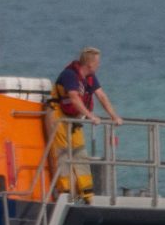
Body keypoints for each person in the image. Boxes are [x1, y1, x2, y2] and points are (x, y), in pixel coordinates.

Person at [50, 46, 122, 197]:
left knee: (80, 152)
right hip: (57, 116)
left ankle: (87, 192)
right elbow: (75, 98)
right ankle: (65, 190)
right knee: (62, 153)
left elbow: (101, 95)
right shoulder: (69, 75)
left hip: (73, 118)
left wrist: (114, 116)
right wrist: (90, 116)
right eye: (98, 62)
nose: (99, 65)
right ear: (89, 64)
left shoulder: (90, 77)